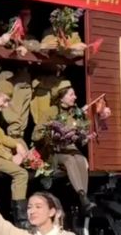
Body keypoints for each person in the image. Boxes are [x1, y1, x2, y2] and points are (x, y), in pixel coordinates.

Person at [33, 81, 94, 212]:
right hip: (54, 150)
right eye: (71, 94)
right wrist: (51, 133)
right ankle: (82, 196)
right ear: (62, 97)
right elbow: (36, 135)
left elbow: (82, 135)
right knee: (69, 160)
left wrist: (83, 132)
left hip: (69, 147)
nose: (75, 97)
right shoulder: (51, 111)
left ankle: (84, 197)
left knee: (80, 159)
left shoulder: (75, 112)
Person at [0, 85, 29, 225]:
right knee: (21, 174)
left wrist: (16, 144)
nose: (5, 105)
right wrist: (11, 157)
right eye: (4, 101)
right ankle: (21, 219)